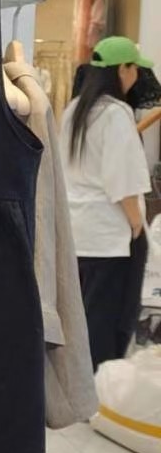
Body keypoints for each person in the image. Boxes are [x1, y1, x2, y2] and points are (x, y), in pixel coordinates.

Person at [60, 36, 154, 369]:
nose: (136, 77)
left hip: (78, 233)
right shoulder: (115, 114)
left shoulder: (74, 110)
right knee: (110, 321)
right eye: (134, 69)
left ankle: (80, 383)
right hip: (112, 238)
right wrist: (135, 226)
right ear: (122, 70)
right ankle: (101, 386)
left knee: (83, 317)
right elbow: (123, 181)